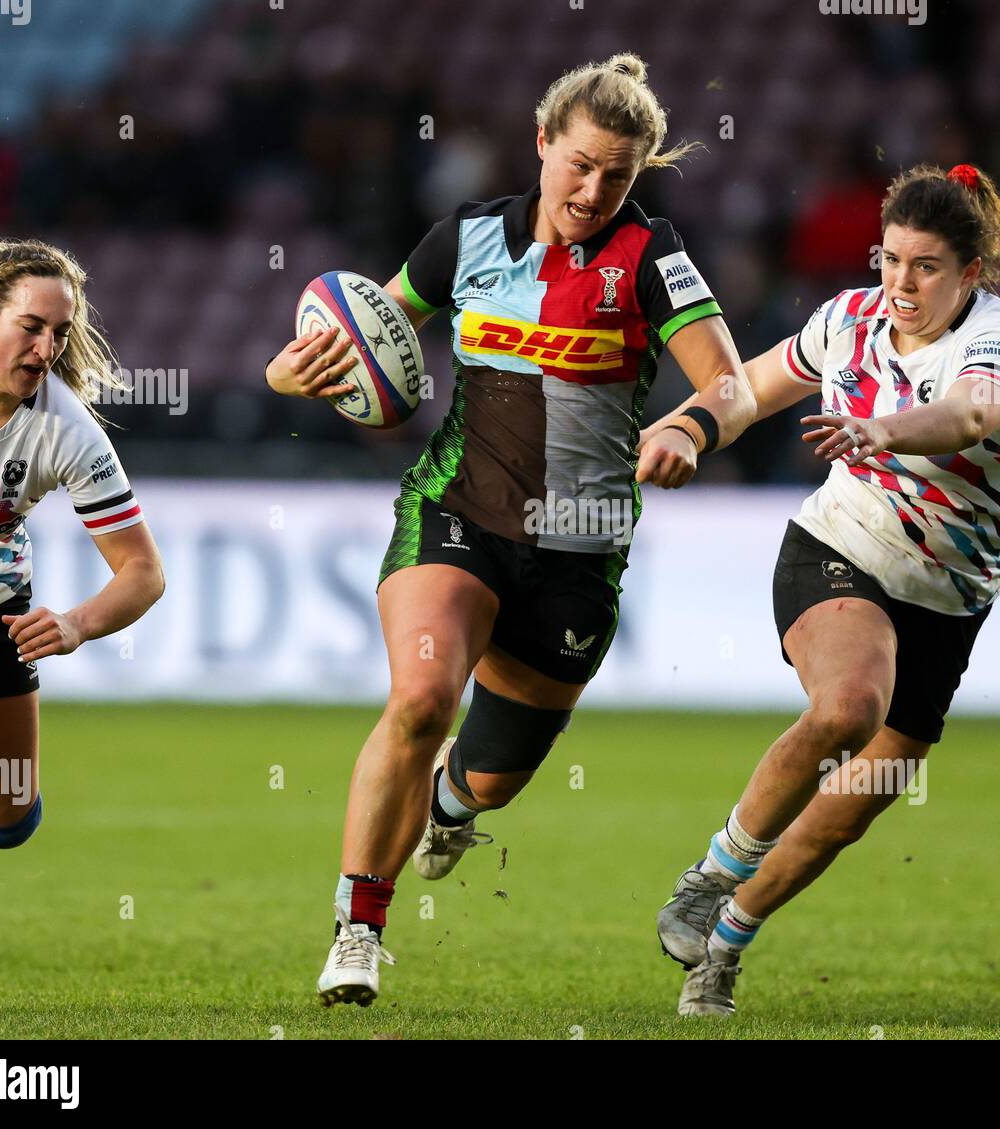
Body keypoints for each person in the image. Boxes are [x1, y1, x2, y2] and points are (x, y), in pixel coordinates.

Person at [264, 54, 756, 1008]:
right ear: (541, 144)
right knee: (419, 701)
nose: (592, 189)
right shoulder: (469, 239)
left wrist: (692, 426)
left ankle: (449, 804)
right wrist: (297, 374)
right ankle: (359, 929)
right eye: (578, 164)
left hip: (580, 546)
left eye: (617, 174)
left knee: (488, 779)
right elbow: (371, 337)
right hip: (458, 513)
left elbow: (730, 380)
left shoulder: (651, 258)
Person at [652, 164, 1000, 1017]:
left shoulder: (995, 342)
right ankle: (712, 872)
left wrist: (880, 428)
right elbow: (748, 387)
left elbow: (970, 416)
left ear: (968, 273)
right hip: (839, 546)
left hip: (950, 597)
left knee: (852, 807)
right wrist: (685, 423)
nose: (901, 282)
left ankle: (724, 944)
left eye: (925, 266)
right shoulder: (847, 319)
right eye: (891, 258)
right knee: (849, 705)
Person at [0, 239, 165, 1020]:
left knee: (4, 816)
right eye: (30, 328)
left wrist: (74, 623)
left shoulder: (65, 430)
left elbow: (143, 571)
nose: (46, 349)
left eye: (58, 333)